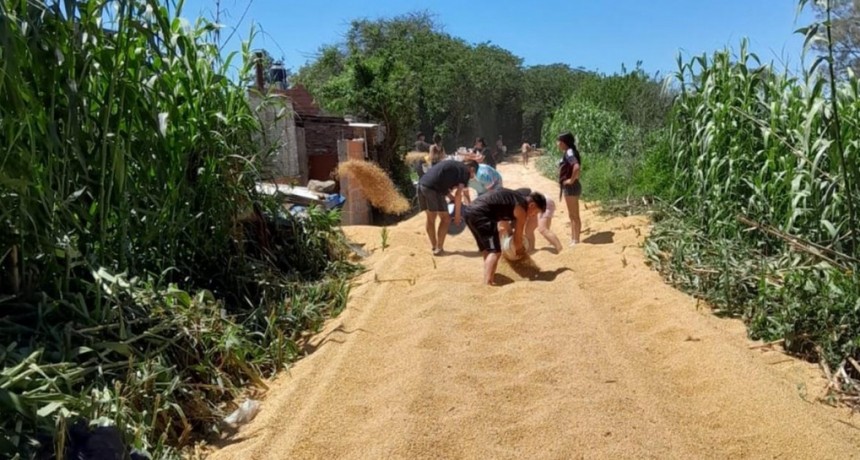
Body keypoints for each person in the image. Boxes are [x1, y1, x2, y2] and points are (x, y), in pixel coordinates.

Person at [463, 188, 547, 285]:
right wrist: (520, 250)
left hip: (470, 211)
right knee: (495, 252)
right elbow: (518, 238)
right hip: (482, 214)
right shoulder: (522, 210)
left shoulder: (516, 198)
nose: (533, 216)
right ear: (532, 205)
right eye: (535, 212)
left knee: (487, 249)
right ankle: (487, 284)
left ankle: (489, 276)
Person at [417, 159, 478, 255]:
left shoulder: (455, 165)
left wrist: (451, 197)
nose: (470, 178)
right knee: (446, 219)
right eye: (472, 175)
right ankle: (439, 248)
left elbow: (441, 179)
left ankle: (434, 247)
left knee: (430, 218)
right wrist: (457, 216)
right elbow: (459, 194)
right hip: (434, 189)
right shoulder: (465, 171)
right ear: (472, 169)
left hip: (422, 185)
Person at [499, 188, 563, 253]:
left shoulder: (508, 206)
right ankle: (531, 250)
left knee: (543, 229)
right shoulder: (510, 204)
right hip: (539, 202)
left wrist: (511, 237)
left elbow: (508, 225)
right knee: (528, 230)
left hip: (543, 203)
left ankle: (560, 250)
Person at [557, 132, 582, 246]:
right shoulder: (569, 152)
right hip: (572, 187)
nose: (557, 144)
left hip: (571, 187)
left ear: (564, 142)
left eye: (559, 141)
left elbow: (576, 167)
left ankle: (575, 240)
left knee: (574, 215)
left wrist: (570, 180)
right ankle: (574, 238)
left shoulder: (569, 153)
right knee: (572, 215)